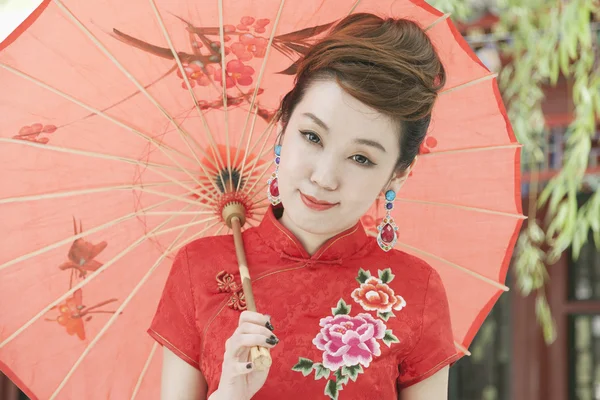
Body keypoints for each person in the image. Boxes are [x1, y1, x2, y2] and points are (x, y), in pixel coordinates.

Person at [148, 12, 461, 400]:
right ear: (282, 128)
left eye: (361, 158)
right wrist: (228, 394)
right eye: (312, 136)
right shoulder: (199, 269)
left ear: (398, 174)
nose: (324, 177)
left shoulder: (416, 289)